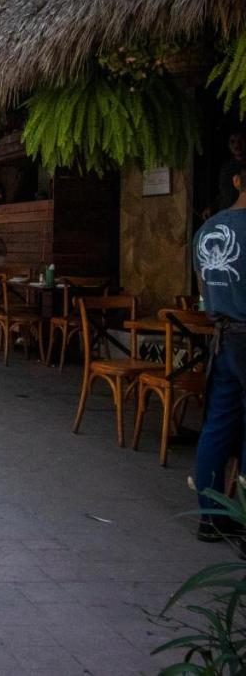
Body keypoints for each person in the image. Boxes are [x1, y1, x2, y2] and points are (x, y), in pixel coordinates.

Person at [193, 162, 246, 546]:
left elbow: (202, 288)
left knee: (217, 424)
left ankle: (210, 518)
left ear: (237, 181)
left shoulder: (205, 230)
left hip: (223, 337)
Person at [218, 132, 246, 214]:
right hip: (227, 212)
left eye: (240, 141)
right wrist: (212, 206)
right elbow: (223, 193)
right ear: (229, 145)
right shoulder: (226, 168)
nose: (237, 145)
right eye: (233, 141)